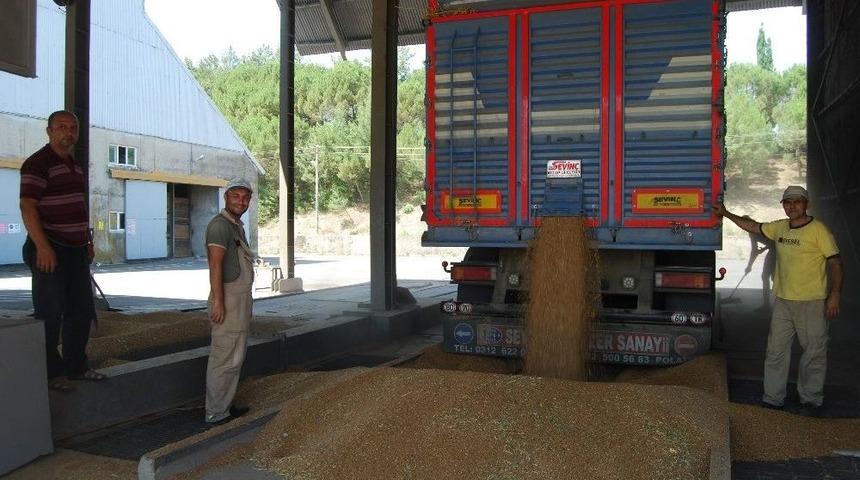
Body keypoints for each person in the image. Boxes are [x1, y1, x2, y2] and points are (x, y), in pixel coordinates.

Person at [713, 185, 842, 416]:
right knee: (776, 351)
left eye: (797, 202)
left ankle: (810, 400)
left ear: (806, 204)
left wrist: (834, 294)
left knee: (813, 352)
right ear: (783, 206)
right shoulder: (780, 228)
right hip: (783, 302)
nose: (792, 206)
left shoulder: (819, 230)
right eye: (787, 202)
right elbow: (753, 226)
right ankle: (773, 400)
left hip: (811, 302)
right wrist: (726, 213)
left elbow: (835, 263)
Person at [19, 110, 106, 392]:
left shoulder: (74, 165)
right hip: (50, 247)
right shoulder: (37, 163)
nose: (68, 133)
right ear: (49, 131)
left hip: (75, 248)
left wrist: (87, 240)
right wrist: (43, 246)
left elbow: (78, 206)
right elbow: (28, 206)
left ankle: (76, 367)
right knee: (49, 311)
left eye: (73, 128)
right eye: (62, 127)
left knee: (81, 309)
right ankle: (51, 373)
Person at [204, 179, 255, 425]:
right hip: (229, 298)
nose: (241, 202)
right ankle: (215, 412)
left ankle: (224, 404)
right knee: (224, 356)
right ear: (226, 197)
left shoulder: (236, 226)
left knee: (235, 355)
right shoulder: (219, 227)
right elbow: (215, 265)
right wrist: (219, 302)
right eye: (236, 196)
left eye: (245, 198)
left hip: (240, 299)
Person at [744, 216, 775, 310]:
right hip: (777, 250)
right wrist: (765, 248)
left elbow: (754, 251)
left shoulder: (753, 232)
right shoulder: (761, 227)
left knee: (766, 276)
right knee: (774, 278)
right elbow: (772, 241)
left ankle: (767, 305)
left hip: (776, 251)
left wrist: (749, 266)